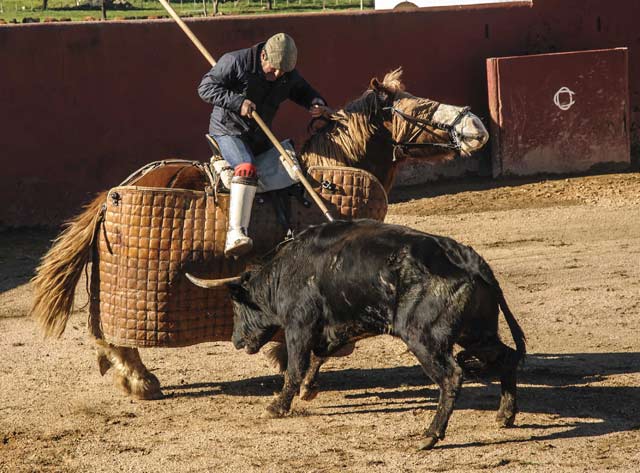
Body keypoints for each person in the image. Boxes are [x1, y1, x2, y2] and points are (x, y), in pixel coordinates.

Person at [198, 33, 331, 257]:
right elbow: (205, 88)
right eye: (274, 69)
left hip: (259, 136)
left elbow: (302, 90)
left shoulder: (286, 73)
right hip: (229, 131)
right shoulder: (235, 62)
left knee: (291, 168)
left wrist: (315, 102)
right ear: (263, 56)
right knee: (247, 168)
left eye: (284, 71)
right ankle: (236, 232)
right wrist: (237, 102)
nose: (278, 75)